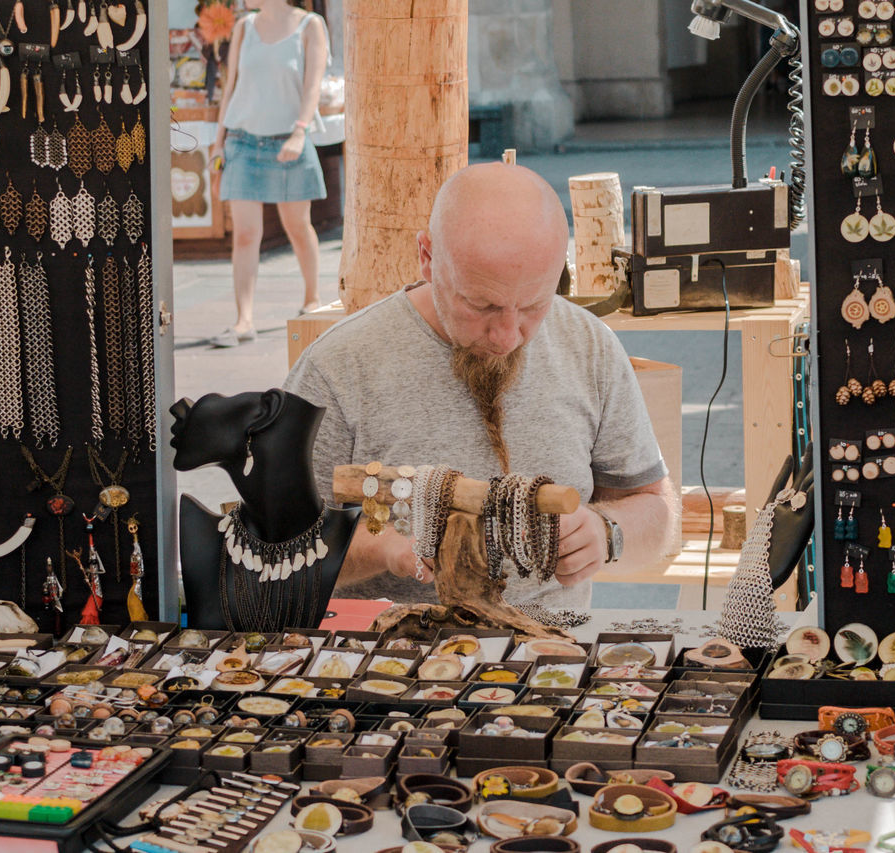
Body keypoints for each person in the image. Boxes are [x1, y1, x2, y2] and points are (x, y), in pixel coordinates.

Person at [283, 163, 678, 615]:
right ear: (427, 258)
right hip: (389, 660)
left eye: (533, 305)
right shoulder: (339, 367)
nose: (508, 336)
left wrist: (607, 532)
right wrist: (385, 551)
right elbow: (278, 550)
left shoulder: (588, 346)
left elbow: (653, 507)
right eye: (481, 305)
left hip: (549, 652)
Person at [208, 0, 330, 348]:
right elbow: (230, 87)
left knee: (297, 228)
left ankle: (312, 299)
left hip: (290, 142)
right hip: (243, 142)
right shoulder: (244, 26)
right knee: (245, 234)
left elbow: (312, 86)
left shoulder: (311, 26)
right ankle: (243, 320)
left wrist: (300, 131)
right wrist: (219, 143)